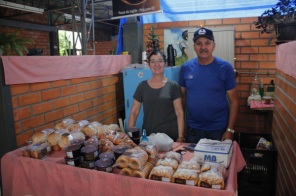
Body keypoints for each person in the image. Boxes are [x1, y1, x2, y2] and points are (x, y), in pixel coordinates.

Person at [179, 27, 239, 143]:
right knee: (191, 161)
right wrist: (182, 127)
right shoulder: (186, 68)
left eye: (207, 43)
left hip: (218, 130)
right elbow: (183, 99)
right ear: (194, 47)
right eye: (199, 44)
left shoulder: (225, 68)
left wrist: (230, 130)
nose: (203, 47)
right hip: (193, 130)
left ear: (213, 46)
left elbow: (234, 102)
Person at [128, 50, 185, 142]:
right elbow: (134, 112)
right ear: (149, 65)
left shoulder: (173, 85)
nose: (156, 64)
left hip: (170, 138)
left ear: (165, 64)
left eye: (160, 61)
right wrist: (130, 135)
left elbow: (179, 113)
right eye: (153, 61)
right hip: (149, 137)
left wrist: (180, 137)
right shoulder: (142, 86)